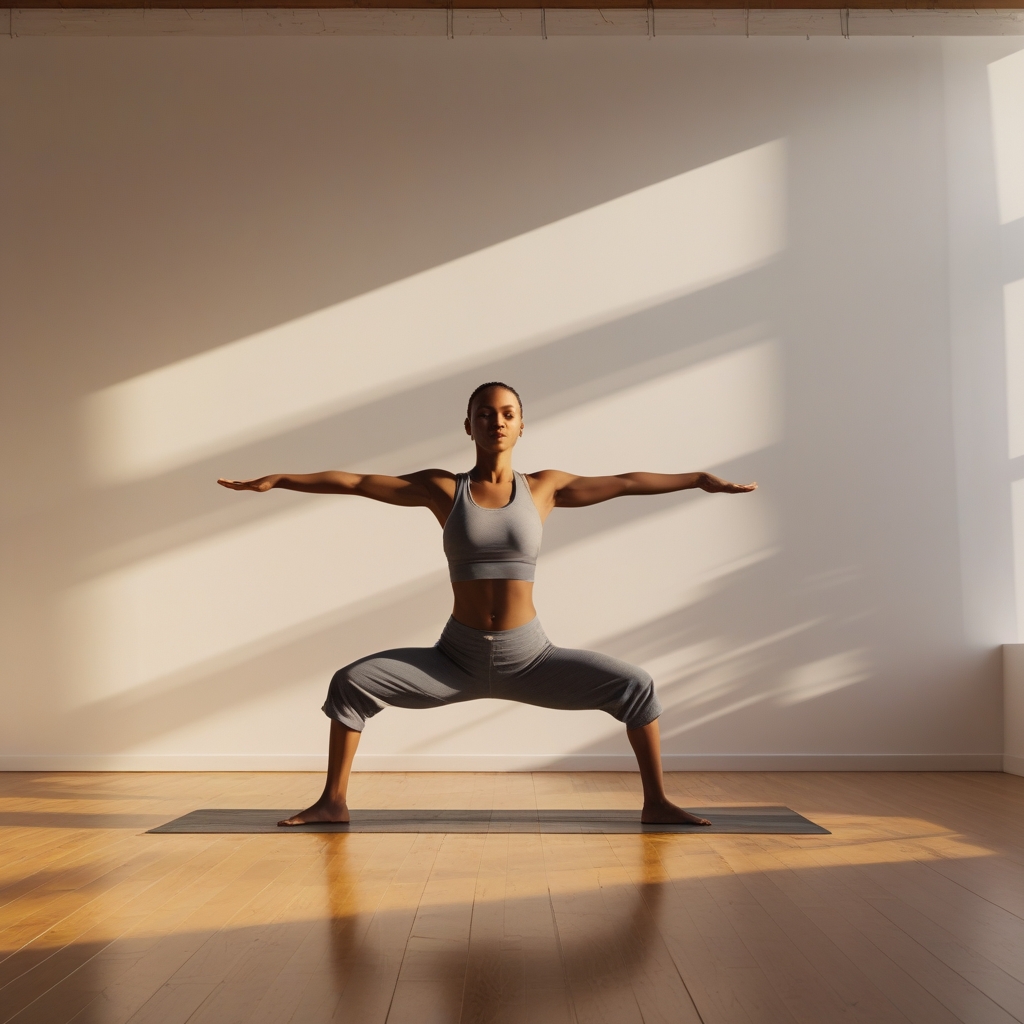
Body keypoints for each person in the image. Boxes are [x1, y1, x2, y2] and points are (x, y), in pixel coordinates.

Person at [218, 382, 756, 826]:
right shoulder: (443, 490)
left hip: (533, 658)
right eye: (485, 413)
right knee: (351, 682)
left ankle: (657, 802)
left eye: (508, 413)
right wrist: (283, 478)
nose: (497, 421)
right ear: (469, 425)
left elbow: (626, 482)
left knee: (635, 686)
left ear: (522, 425)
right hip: (454, 660)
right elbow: (359, 482)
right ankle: (333, 802)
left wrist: (698, 480)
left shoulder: (544, 488)